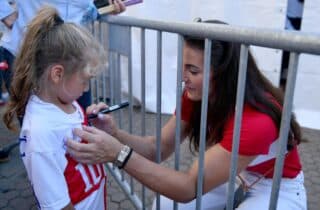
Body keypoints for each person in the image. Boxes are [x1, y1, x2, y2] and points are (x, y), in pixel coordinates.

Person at [66, 19, 307, 210]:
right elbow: (157, 149)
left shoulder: (256, 121)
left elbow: (189, 187)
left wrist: (117, 153)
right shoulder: (198, 95)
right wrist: (115, 134)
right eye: (183, 67)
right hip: (237, 175)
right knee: (165, 205)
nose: (184, 78)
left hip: (276, 186)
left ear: (223, 73)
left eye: (193, 70)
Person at [3, 6, 109, 209]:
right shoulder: (40, 134)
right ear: (57, 74)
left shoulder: (66, 100)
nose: (86, 88)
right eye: (85, 80)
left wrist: (90, 122)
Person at [0, 0, 125, 111]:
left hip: (73, 57)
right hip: (28, 55)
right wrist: (5, 13)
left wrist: (105, 7)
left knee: (80, 121)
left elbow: (82, 9)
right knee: (38, 124)